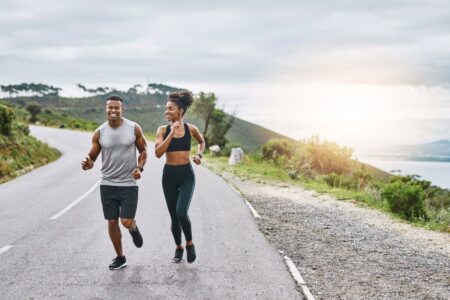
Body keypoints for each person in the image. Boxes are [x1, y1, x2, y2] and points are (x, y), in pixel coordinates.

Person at [81, 94, 147, 270]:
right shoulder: (100, 132)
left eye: (116, 107)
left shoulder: (134, 128)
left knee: (125, 221)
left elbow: (143, 151)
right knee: (111, 221)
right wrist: (88, 163)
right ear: (106, 108)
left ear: (121, 109)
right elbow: (92, 157)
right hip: (107, 183)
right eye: (110, 107)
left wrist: (139, 168)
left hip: (128, 184)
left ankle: (132, 227)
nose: (113, 110)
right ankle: (120, 257)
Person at [155, 91, 205, 263]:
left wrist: (199, 155)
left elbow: (201, 141)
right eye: (166, 109)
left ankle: (189, 244)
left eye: (170, 109)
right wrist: (171, 133)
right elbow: (158, 153)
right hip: (168, 176)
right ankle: (178, 247)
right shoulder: (162, 130)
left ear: (181, 110)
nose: (166, 112)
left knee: (181, 212)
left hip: (186, 175)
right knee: (174, 217)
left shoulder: (191, 129)